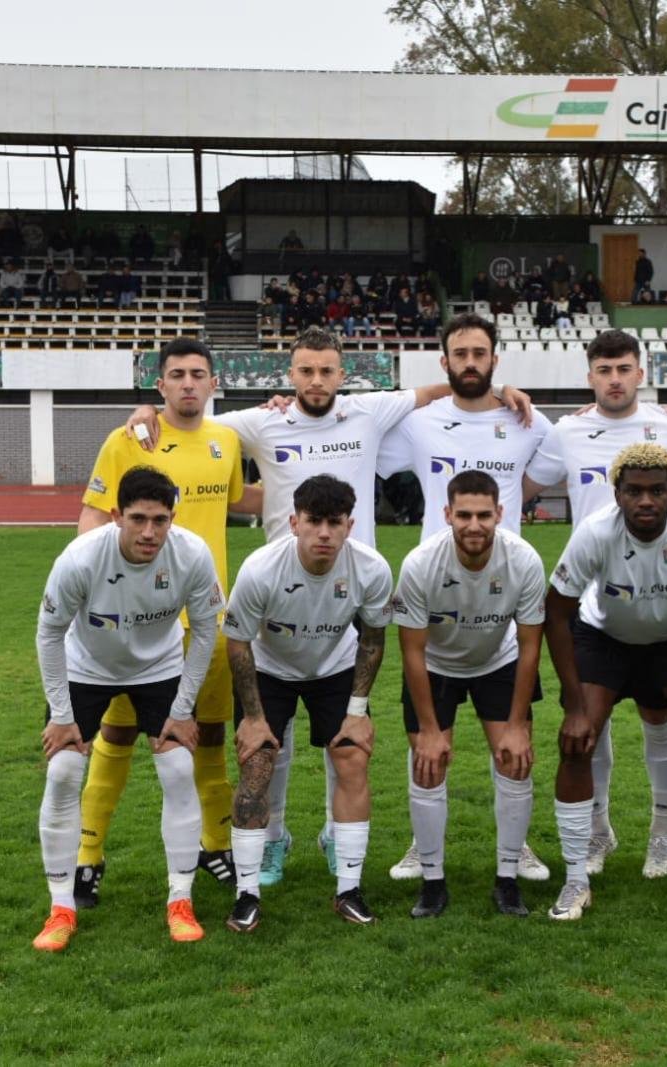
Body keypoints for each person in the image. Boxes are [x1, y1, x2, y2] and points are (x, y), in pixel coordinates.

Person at [125, 327, 533, 883]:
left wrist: (504, 390)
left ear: (343, 376)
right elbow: (191, 419)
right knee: (274, 733)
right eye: (305, 371)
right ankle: (272, 837)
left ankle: (330, 827)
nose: (316, 381)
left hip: (347, 597)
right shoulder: (259, 422)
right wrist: (148, 409)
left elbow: (447, 389)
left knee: (340, 726)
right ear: (289, 377)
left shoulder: (367, 411)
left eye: (327, 371)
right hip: (276, 598)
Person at [375, 312, 560, 883]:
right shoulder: (420, 422)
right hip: (435, 598)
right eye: (461, 354)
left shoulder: (526, 421)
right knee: (427, 749)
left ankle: (517, 847)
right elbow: (354, 433)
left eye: (481, 353)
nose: (471, 362)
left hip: (502, 605)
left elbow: (561, 460)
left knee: (513, 747)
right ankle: (422, 847)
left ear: (495, 359)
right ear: (446, 361)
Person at [526, 330, 667, 878]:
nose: (615, 379)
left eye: (624, 368)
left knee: (661, 714)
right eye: (604, 369)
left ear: (641, 372)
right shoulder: (566, 432)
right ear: (590, 375)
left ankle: (662, 833)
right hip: (594, 606)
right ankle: (599, 829)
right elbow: (524, 488)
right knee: (593, 721)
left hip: (661, 602)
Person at [71, 339, 252, 912]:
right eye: (177, 375)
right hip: (137, 625)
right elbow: (95, 517)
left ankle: (214, 845)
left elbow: (237, 504)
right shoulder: (129, 440)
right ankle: (88, 855)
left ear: (214, 383)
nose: (189, 384)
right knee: (119, 734)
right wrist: (87, 587)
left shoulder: (227, 442)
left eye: (199, 374)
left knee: (211, 733)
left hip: (209, 620)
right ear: (161, 386)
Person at [543, 444, 667, 921]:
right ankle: (575, 880)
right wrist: (573, 704)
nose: (645, 500)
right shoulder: (594, 533)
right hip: (605, 637)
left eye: (657, 490)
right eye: (634, 491)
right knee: (576, 742)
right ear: (617, 494)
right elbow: (556, 612)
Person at [31, 466, 223, 951]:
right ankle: (60, 908)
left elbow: (205, 632)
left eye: (160, 520)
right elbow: (49, 633)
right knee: (63, 772)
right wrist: (60, 714)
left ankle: (180, 901)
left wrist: (181, 710)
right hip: (86, 668)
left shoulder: (192, 555)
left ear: (172, 517)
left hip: (158, 668)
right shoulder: (79, 558)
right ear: (115, 516)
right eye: (137, 519)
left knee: (180, 768)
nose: (149, 532)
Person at [222, 475, 394, 929]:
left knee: (352, 760)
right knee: (256, 766)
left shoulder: (371, 569)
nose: (324, 533)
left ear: (349, 525)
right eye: (313, 522)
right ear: (294, 523)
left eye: (334, 523)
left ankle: (349, 889)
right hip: (269, 669)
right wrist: (254, 719)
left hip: (334, 669)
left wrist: (357, 713)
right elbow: (237, 643)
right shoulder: (261, 569)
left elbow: (373, 641)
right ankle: (246, 894)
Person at [393, 471, 547, 917]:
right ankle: (432, 881)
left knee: (515, 762)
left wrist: (518, 725)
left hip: (497, 660)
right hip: (436, 666)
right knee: (428, 765)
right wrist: (428, 729)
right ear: (447, 515)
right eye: (464, 515)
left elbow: (532, 644)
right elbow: (412, 651)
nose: (474, 525)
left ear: (500, 514)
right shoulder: (422, 563)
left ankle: (508, 878)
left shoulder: (525, 560)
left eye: (484, 515)